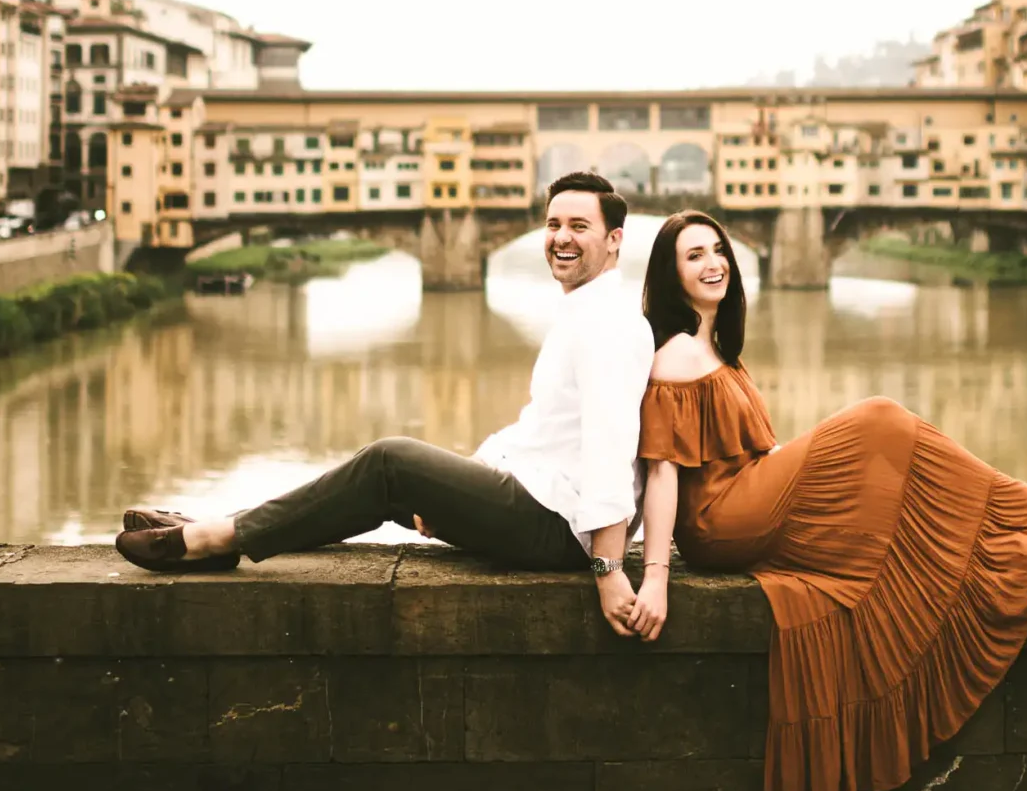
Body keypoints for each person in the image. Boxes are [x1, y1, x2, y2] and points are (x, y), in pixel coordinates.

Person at [626, 210, 1027, 791]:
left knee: (907, 521)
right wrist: (656, 577)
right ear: (671, 276)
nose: (714, 263)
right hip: (722, 521)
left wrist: (806, 467)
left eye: (718, 249)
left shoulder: (715, 348)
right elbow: (663, 471)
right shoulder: (676, 353)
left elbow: (755, 451)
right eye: (695, 255)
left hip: (749, 499)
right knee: (879, 419)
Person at [113, 172, 658, 636]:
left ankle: (213, 539)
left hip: (559, 528)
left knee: (389, 461)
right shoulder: (586, 312)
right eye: (554, 224)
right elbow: (539, 430)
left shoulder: (610, 323)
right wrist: (466, 482)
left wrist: (608, 569)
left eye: (579, 226)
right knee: (370, 490)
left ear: (614, 240)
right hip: (540, 506)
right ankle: (228, 528)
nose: (561, 237)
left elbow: (610, 450)